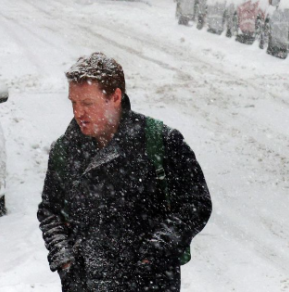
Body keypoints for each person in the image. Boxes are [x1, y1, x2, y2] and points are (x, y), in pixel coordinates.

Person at [38, 52, 212, 292]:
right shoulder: (65, 150)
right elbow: (50, 211)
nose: (78, 113)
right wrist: (66, 262)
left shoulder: (160, 141)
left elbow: (196, 204)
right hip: (85, 284)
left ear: (115, 97)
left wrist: (157, 250)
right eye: (73, 103)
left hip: (150, 283)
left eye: (87, 103)